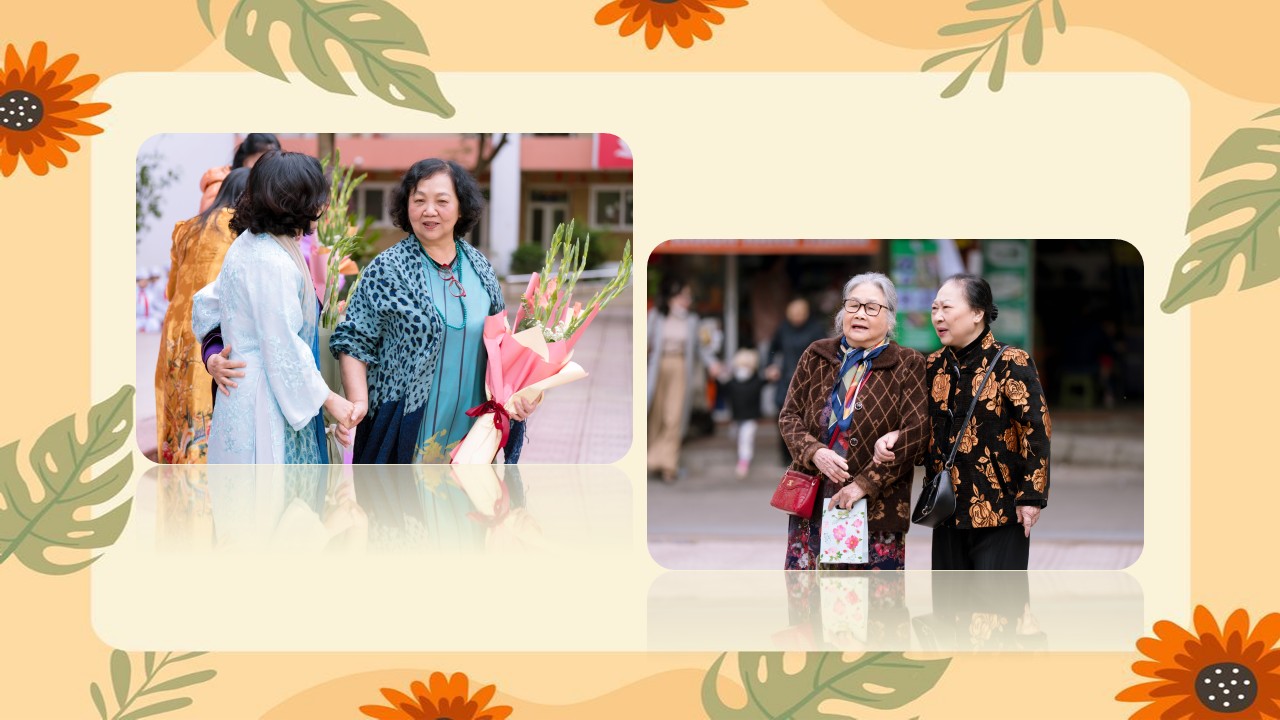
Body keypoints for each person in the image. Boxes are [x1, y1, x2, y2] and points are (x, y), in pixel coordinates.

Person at [328, 158, 540, 464]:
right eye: (419, 201)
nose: (429, 211)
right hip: (406, 427)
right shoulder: (387, 270)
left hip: (474, 431)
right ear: (406, 206)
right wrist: (358, 401)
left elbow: (502, 346)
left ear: (461, 208)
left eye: (442, 201)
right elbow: (353, 341)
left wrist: (520, 396)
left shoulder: (480, 267)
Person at [875, 274, 1051, 570]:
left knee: (997, 609)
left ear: (977, 313)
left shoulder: (1011, 361)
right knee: (950, 608)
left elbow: (1036, 431)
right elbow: (920, 426)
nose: (938, 317)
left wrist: (1031, 497)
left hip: (1000, 510)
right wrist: (896, 438)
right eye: (934, 309)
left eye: (946, 308)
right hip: (946, 508)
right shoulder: (932, 365)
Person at [192, 150, 356, 463]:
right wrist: (331, 399)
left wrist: (212, 354)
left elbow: (208, 304)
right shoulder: (273, 261)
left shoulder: (250, 244)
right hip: (265, 400)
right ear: (298, 200)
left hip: (241, 394)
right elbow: (282, 344)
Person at [779, 272, 928, 570]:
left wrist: (862, 485)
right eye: (853, 305)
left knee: (872, 605)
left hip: (877, 504)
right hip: (814, 496)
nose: (860, 314)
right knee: (810, 597)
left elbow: (917, 431)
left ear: (889, 318)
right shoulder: (817, 355)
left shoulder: (908, 363)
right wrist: (814, 452)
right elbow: (789, 416)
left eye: (872, 307)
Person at [154, 167, 249, 464]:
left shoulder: (184, 229)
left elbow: (171, 288)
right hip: (211, 334)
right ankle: (203, 505)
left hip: (174, 336)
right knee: (202, 418)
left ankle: (174, 500)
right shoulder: (239, 230)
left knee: (176, 416)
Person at [646, 277, 721, 483]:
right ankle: (655, 460)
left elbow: (700, 348)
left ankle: (667, 464)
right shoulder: (656, 317)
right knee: (656, 415)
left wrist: (712, 363)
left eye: (688, 296)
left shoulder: (692, 321)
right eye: (682, 295)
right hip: (657, 368)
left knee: (674, 417)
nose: (686, 300)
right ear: (671, 297)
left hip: (680, 367)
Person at [767, 297, 828, 464]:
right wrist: (770, 366)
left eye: (800, 314)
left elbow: (827, 351)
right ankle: (786, 455)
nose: (797, 317)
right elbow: (772, 348)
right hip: (787, 378)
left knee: (808, 418)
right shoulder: (783, 329)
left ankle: (806, 453)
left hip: (810, 380)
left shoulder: (815, 329)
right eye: (793, 314)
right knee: (784, 415)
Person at [718, 348, 779, 479]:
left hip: (750, 418)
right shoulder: (732, 382)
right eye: (741, 366)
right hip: (736, 418)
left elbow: (767, 379)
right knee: (736, 436)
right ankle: (742, 458)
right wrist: (719, 373)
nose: (743, 369)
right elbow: (721, 382)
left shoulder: (755, 381)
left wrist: (771, 374)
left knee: (746, 439)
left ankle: (743, 462)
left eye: (747, 366)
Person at [198, 133, 280, 213]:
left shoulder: (274, 185)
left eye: (271, 164)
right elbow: (209, 222)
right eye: (259, 163)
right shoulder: (219, 184)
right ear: (244, 158)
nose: (265, 170)